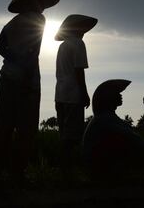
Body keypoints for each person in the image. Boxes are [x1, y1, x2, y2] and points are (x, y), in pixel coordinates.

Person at [0, 0, 60, 182]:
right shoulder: (39, 19)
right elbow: (34, 50)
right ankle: (18, 173)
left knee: (4, 124)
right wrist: (28, 75)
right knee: (27, 127)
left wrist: (13, 58)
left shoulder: (11, 23)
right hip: (27, 79)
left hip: (6, 76)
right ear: (34, 3)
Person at [83, 80, 144, 178]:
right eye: (117, 93)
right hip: (99, 167)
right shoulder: (105, 118)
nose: (121, 96)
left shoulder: (106, 117)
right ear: (108, 97)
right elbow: (133, 137)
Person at [54, 14, 97, 170]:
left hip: (59, 94)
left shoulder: (63, 45)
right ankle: (67, 168)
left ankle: (62, 167)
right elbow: (79, 71)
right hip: (73, 94)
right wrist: (84, 94)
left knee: (64, 133)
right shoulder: (79, 43)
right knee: (72, 136)